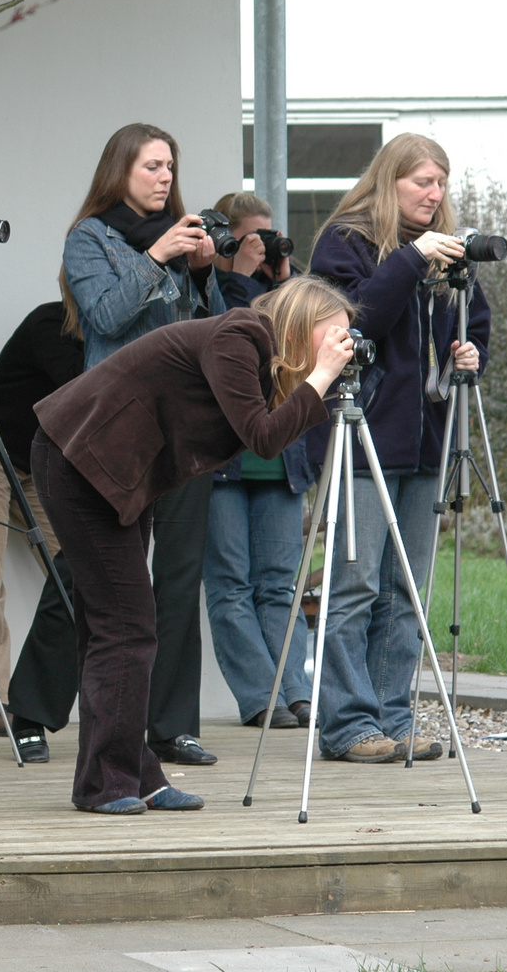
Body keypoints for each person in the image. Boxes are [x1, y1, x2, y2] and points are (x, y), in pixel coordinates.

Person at [33, 275, 356, 814]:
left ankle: (128, 774)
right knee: (127, 626)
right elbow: (263, 437)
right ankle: (108, 784)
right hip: (79, 460)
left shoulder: (260, 359)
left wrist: (318, 377)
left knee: (112, 627)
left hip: (114, 472)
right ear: (302, 322)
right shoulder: (240, 335)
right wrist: (321, 376)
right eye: (334, 333)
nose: (341, 346)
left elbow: (265, 425)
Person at [308, 133, 488, 764]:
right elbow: (356, 322)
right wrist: (412, 257)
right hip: (361, 436)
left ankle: (393, 718)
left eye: (441, 183)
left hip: (426, 443)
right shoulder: (345, 242)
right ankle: (347, 726)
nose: (434, 195)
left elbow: (478, 319)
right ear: (390, 182)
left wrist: (473, 353)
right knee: (355, 585)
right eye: (422, 183)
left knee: (405, 588)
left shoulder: (445, 248)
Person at [62, 122, 225, 768]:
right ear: (119, 171)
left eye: (169, 166)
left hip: (179, 428)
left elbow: (209, 335)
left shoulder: (179, 239)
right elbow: (104, 316)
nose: (164, 176)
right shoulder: (89, 239)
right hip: (117, 433)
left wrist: (205, 273)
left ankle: (172, 725)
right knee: (112, 591)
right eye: (151, 165)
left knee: (180, 577)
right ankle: (86, 729)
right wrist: (157, 257)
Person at [0, 267, 84, 762]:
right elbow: (80, 388)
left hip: (41, 463)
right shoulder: (50, 325)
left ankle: (87, 691)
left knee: (78, 572)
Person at [202, 192, 315, 731]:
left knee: (278, 586)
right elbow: (228, 337)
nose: (263, 246)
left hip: (280, 460)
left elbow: (302, 347)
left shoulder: (285, 295)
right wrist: (240, 274)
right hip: (224, 463)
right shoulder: (211, 289)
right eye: (252, 237)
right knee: (230, 583)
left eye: (269, 236)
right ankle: (260, 698)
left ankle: (298, 693)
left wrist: (284, 279)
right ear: (226, 238)